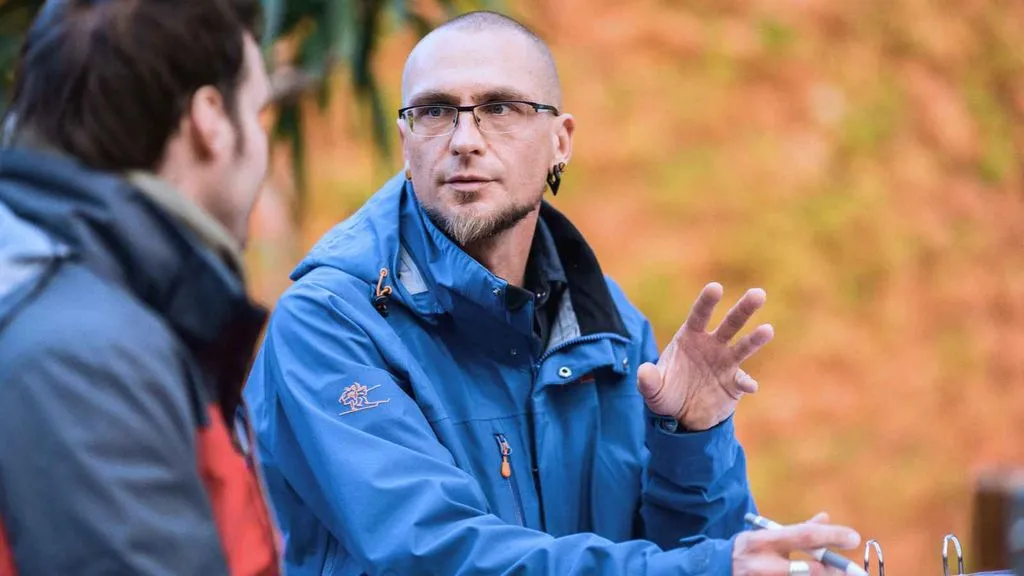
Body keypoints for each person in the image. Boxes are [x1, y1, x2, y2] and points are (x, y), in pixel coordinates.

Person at [244, 10, 860, 576]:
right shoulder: (331, 323)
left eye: (500, 108)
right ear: (406, 143)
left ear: (560, 142)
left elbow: (689, 552)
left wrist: (690, 440)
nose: (464, 139)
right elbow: (433, 554)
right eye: (433, 111)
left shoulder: (610, 331)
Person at [0, 1, 280, 574]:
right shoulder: (83, 356)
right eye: (257, 113)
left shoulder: (106, 306)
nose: (262, 146)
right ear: (209, 120)